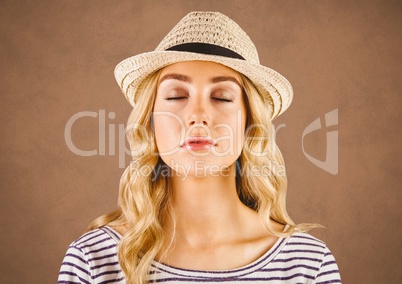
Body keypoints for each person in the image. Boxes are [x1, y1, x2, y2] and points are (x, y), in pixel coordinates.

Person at [58, 11, 341, 284]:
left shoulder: (308, 263)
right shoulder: (94, 260)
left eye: (222, 98)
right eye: (177, 95)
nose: (198, 115)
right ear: (150, 121)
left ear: (249, 123)